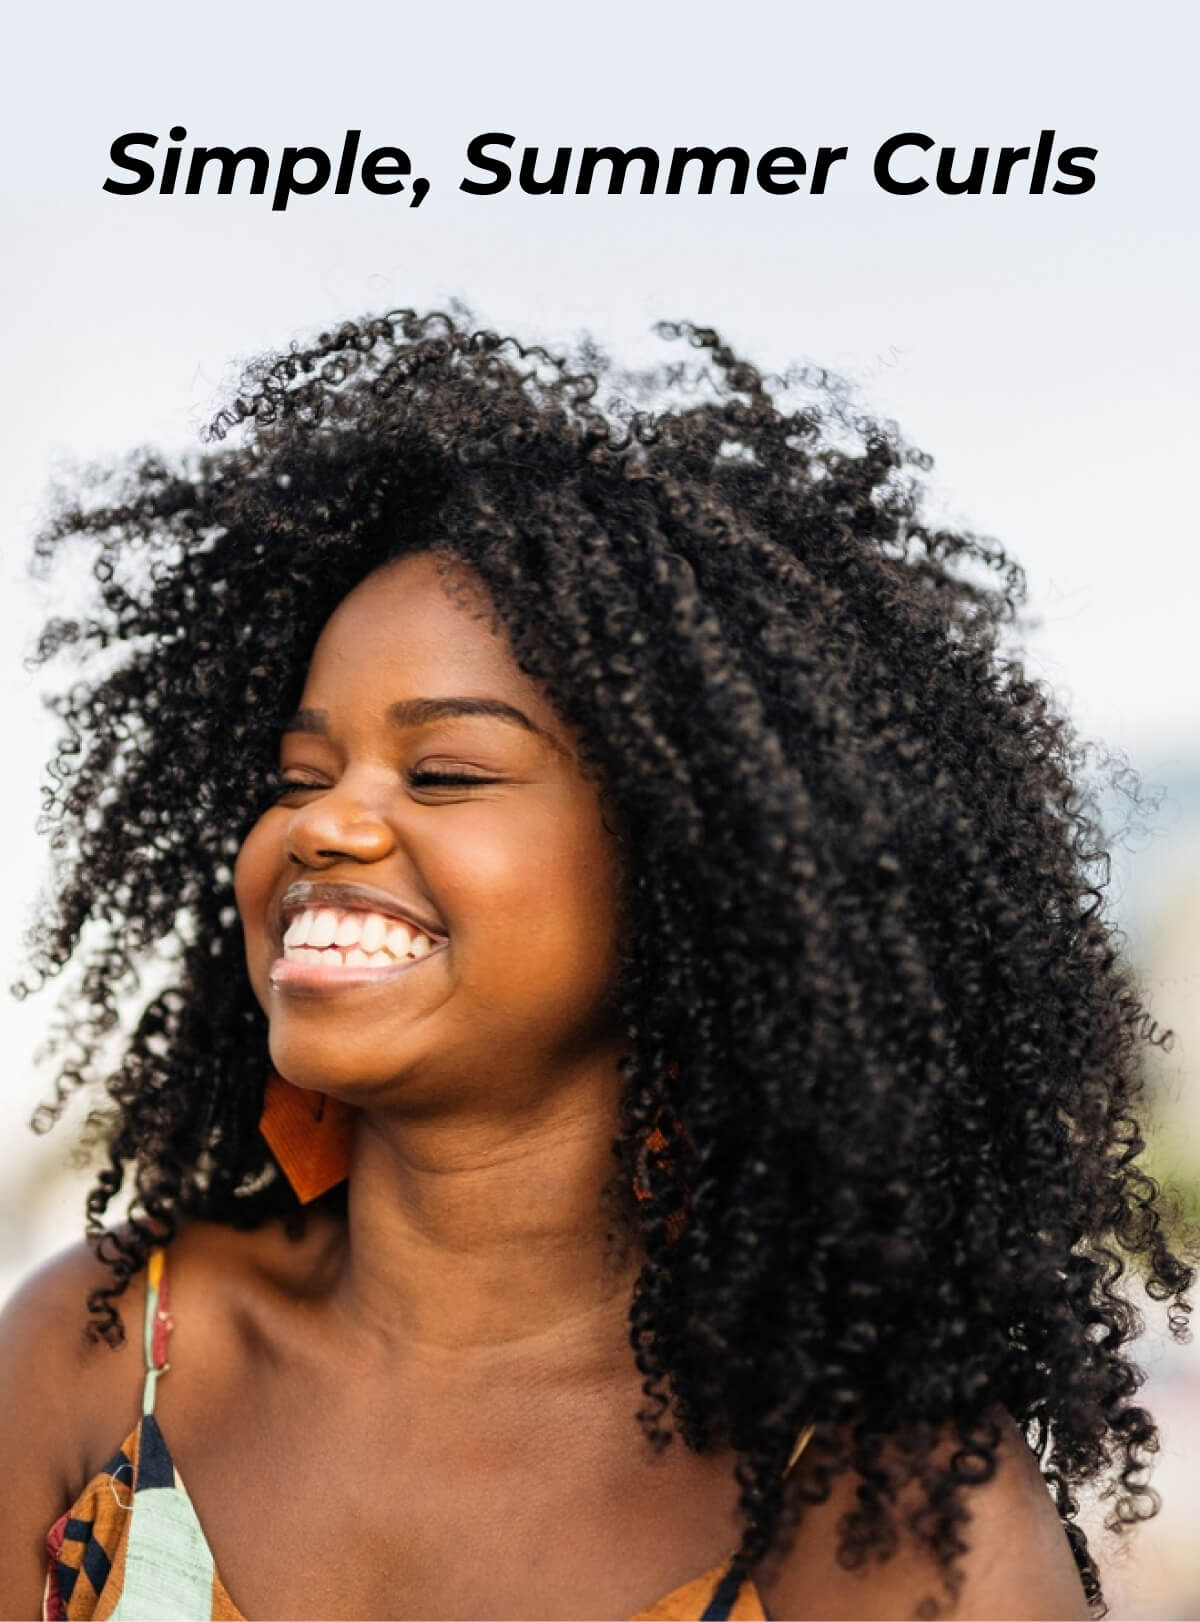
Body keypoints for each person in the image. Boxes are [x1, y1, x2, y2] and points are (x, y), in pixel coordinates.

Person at [0, 308, 1191, 1622]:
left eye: (443, 770)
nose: (323, 824)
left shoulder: (874, 1501)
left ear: (686, 868)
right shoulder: (115, 1342)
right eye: (298, 774)